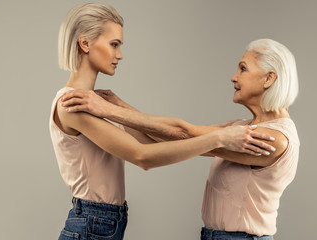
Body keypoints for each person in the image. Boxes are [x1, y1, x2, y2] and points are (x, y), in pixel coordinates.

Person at [50, 3, 275, 240]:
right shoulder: (72, 104)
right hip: (90, 225)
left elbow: (151, 141)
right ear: (85, 43)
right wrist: (218, 138)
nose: (120, 55)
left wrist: (226, 131)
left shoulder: (97, 102)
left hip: (103, 223)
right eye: (114, 44)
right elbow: (142, 156)